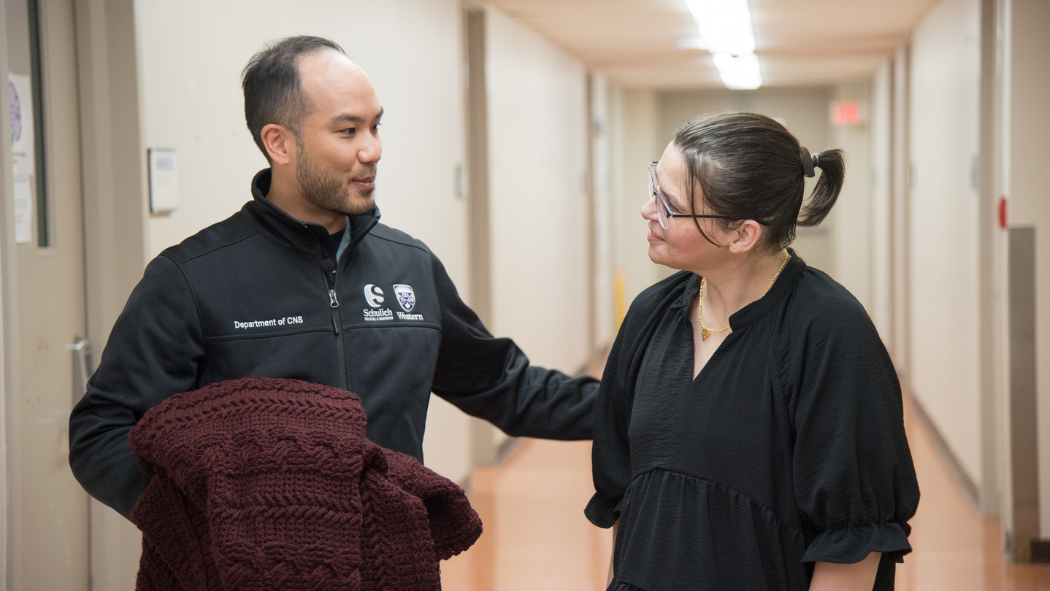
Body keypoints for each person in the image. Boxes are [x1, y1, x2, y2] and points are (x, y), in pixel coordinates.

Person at [69, 35, 598, 520]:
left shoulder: (410, 268)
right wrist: (206, 524)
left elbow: (505, 385)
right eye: (348, 131)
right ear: (279, 143)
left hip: (395, 566)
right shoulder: (190, 278)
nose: (373, 150)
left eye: (375, 126)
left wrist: (647, 405)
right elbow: (103, 432)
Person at [585, 112, 919, 591]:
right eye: (654, 187)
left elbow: (852, 541)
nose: (646, 209)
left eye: (669, 205)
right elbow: (625, 497)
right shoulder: (650, 314)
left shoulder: (829, 332)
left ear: (741, 234)